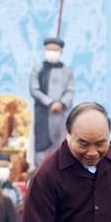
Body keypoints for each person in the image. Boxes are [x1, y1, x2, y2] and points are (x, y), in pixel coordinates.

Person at [29, 37, 76, 167]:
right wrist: (50, 103)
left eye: (55, 50)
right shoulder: (38, 69)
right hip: (44, 113)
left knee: (62, 142)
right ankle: (41, 172)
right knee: (42, 145)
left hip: (63, 114)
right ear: (45, 50)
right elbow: (35, 90)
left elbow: (71, 90)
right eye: (49, 49)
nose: (52, 52)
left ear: (61, 51)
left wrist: (61, 103)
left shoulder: (67, 70)